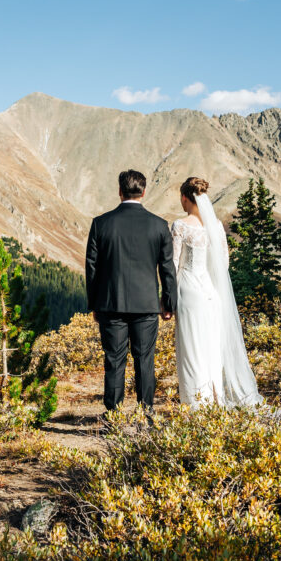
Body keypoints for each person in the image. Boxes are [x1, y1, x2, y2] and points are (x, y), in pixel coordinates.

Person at [85, 170, 177, 416]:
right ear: (144, 192)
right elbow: (167, 268)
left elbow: (91, 268)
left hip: (110, 304)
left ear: (119, 191)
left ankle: (113, 415)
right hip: (146, 305)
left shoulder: (101, 223)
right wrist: (168, 303)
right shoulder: (159, 226)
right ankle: (146, 413)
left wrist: (94, 303)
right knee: (144, 360)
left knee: (114, 360)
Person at [172, 177, 262, 408]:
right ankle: (215, 400)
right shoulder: (216, 228)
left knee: (192, 350)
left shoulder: (180, 226)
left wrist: (167, 299)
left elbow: (172, 265)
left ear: (184, 198)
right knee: (211, 349)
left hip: (189, 291)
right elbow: (223, 263)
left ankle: (195, 405)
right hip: (211, 294)